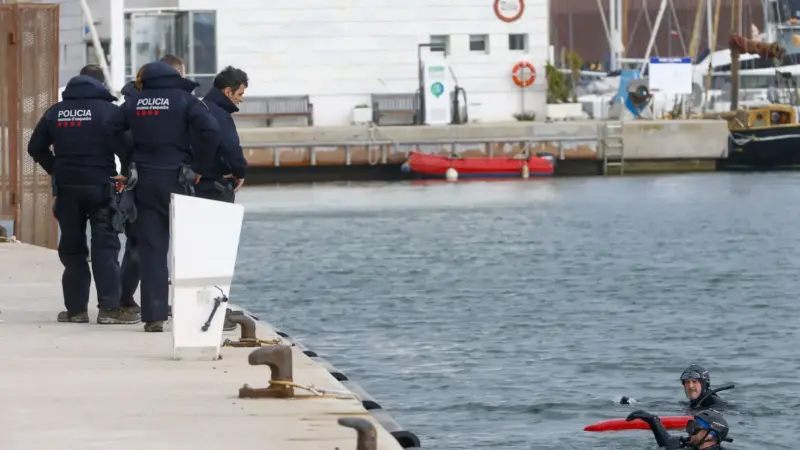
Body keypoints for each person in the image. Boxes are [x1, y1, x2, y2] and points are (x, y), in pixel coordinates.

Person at [112, 61, 220, 332]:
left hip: (144, 180)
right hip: (178, 180)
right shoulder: (186, 100)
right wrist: (200, 167)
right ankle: (190, 312)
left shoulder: (134, 102)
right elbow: (211, 131)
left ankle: (154, 315)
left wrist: (128, 160)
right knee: (188, 249)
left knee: (152, 251)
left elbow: (111, 129)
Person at [27, 74, 139, 325]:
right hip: (102, 186)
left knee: (73, 248)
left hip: (68, 188)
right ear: (99, 87)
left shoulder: (55, 112)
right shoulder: (109, 112)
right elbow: (127, 147)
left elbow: (35, 147)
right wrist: (126, 172)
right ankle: (109, 309)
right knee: (105, 246)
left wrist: (56, 168)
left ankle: (76, 310)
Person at [193, 66, 248, 202]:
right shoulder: (221, 115)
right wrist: (240, 172)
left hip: (193, 183)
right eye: (240, 94)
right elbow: (230, 146)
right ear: (228, 91)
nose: (241, 99)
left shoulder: (200, 108)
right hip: (212, 185)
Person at [626, 409, 732, 449]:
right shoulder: (692, 445)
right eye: (690, 425)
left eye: (695, 428)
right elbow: (667, 442)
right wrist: (653, 421)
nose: (690, 432)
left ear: (710, 435)